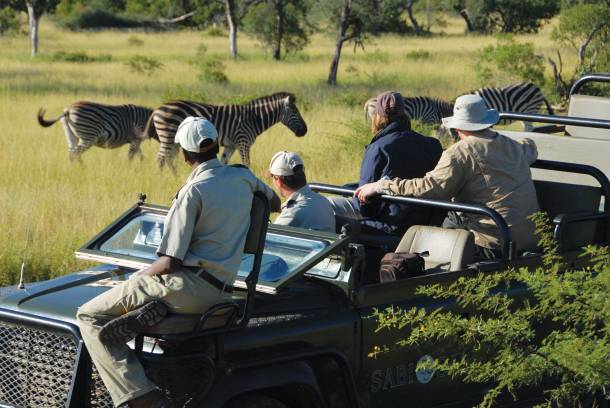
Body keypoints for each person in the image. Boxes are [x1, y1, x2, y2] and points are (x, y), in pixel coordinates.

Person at [76, 117, 280, 408]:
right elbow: (274, 204)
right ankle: (156, 309)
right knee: (150, 289)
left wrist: (139, 276)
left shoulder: (192, 193)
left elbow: (170, 261)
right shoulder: (242, 177)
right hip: (221, 289)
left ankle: (137, 393)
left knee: (88, 315)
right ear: (217, 144)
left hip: (185, 286)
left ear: (185, 155)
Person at [355, 94, 540, 258]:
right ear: (487, 122)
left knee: (437, 220)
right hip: (531, 237)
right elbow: (531, 147)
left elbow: (430, 188)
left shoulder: (459, 152)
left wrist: (382, 186)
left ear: (458, 127)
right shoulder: (513, 146)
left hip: (491, 241)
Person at [328, 91, 443, 235]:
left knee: (328, 205)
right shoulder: (433, 145)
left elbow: (363, 207)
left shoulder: (378, 148)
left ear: (377, 117)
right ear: (404, 113)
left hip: (390, 224)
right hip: (427, 221)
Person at [268, 150, 336, 233]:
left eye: (272, 176)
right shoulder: (323, 200)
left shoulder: (292, 213)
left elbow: (268, 239)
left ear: (279, 181)